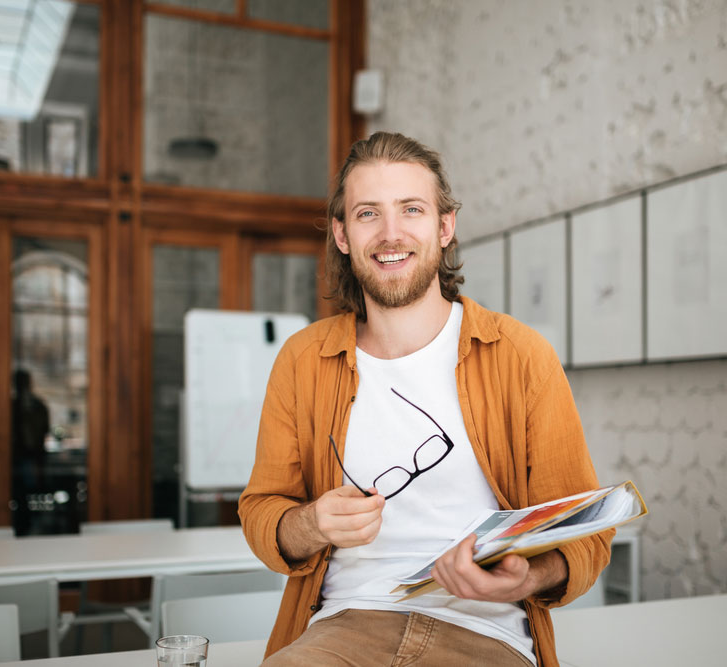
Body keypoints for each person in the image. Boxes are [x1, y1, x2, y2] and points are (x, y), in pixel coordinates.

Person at [239, 132, 611, 666]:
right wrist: (313, 523)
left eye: (410, 209)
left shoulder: (521, 356)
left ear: (444, 226)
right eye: (368, 214)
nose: (391, 235)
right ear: (342, 235)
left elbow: (582, 534)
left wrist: (527, 575)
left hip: (486, 632)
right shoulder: (302, 361)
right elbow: (261, 512)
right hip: (343, 628)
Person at [11, 368, 50, 536]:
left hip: (33, 457)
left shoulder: (36, 405)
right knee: (19, 495)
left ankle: (31, 523)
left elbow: (44, 428)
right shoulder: (11, 406)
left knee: (31, 492)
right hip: (15, 458)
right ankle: (23, 524)